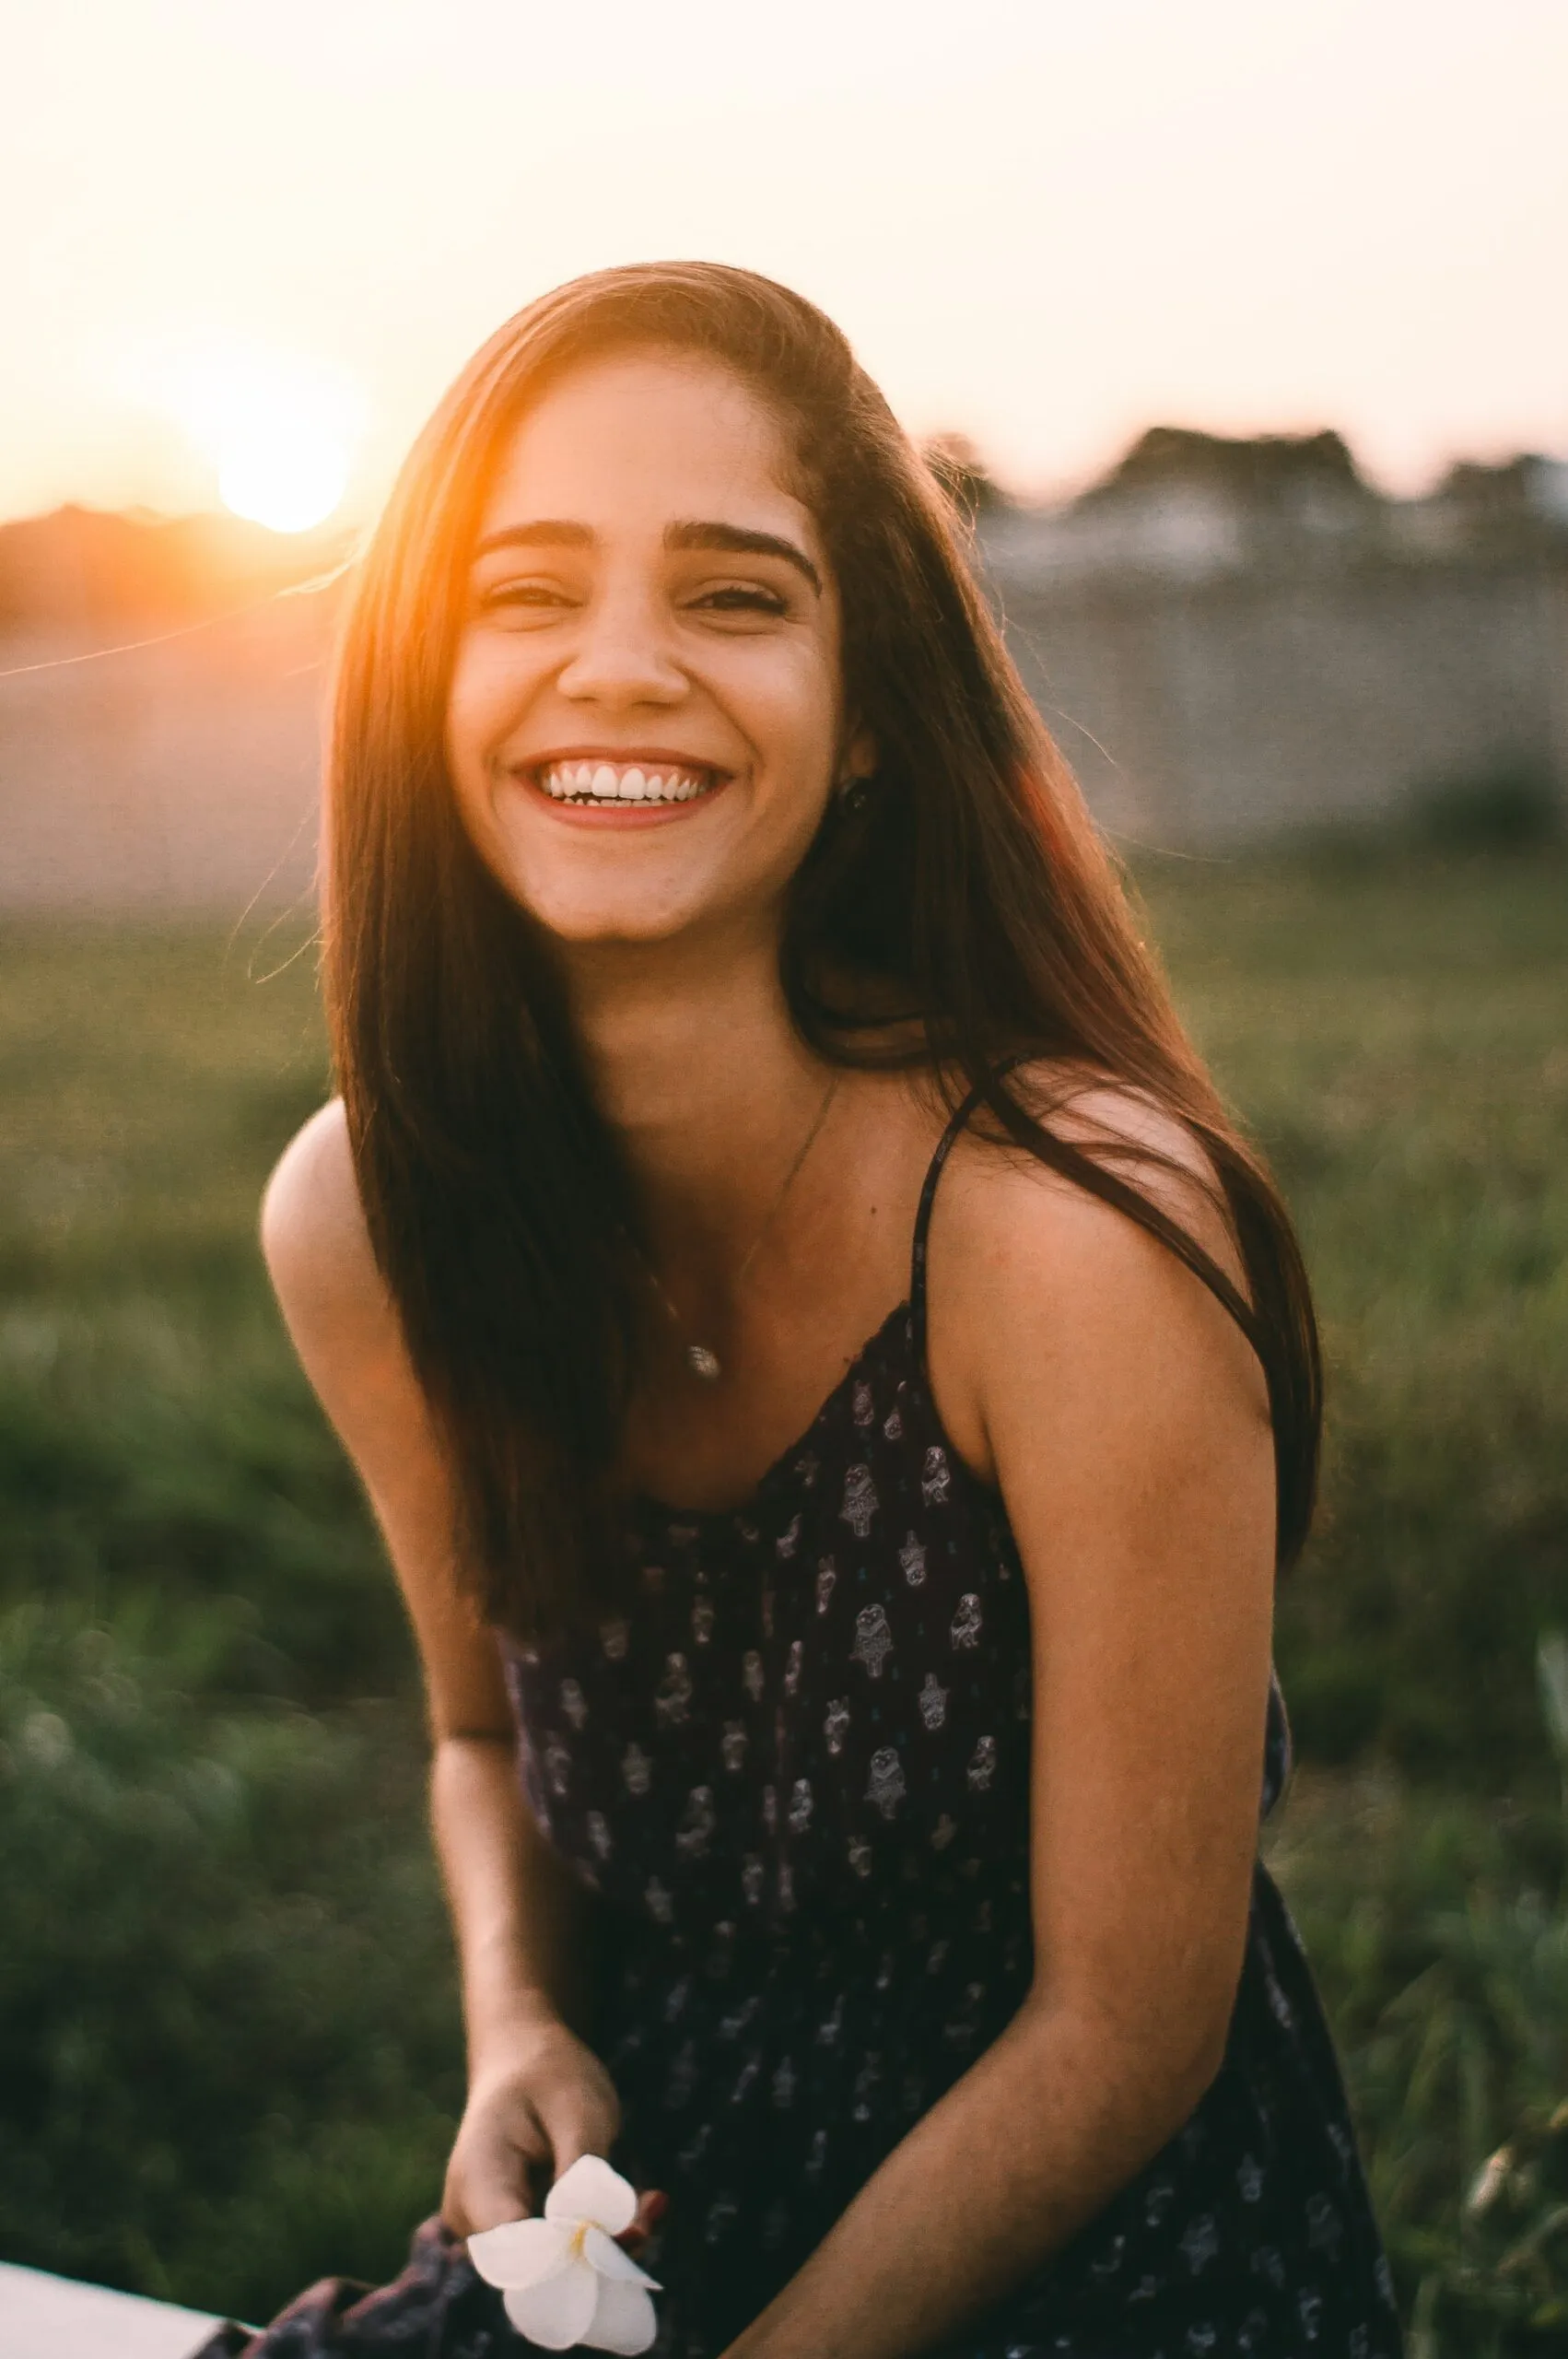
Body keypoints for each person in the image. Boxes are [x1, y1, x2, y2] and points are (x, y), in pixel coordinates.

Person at [244, 262, 1401, 2359]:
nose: (619, 670)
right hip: (651, 2223)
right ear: (421, 681)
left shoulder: (1070, 1231)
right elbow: (481, 1724)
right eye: (526, 594)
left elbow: (1124, 2029)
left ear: (865, 714)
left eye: (733, 595)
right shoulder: (367, 1215)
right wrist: (516, 2018)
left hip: (1100, 2267)